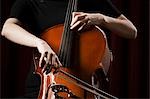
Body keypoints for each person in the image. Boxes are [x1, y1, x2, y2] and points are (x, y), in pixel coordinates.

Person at [1, 0, 137, 98]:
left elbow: (131, 31)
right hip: (43, 88)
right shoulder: (32, 2)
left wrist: (101, 19)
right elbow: (8, 28)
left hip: (84, 90)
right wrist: (40, 43)